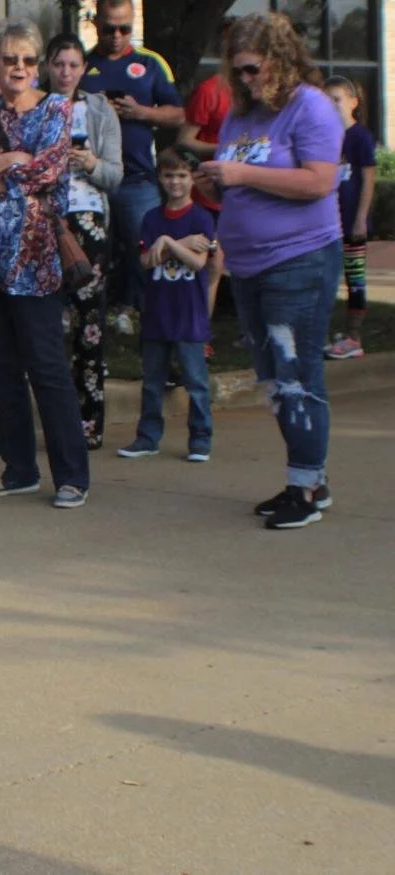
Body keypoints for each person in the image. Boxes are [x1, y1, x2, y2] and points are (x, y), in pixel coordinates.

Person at [197, 12, 343, 530]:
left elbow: (319, 182)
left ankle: (304, 489)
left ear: (280, 60)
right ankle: (309, 479)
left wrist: (240, 173)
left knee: (296, 374)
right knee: (274, 377)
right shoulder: (242, 115)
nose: (245, 80)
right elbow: (245, 180)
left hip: (299, 259)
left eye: (253, 69)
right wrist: (219, 183)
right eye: (236, 71)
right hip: (251, 265)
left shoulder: (311, 108)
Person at [0, 18, 90, 510]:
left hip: (35, 261)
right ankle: (19, 469)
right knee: (2, 369)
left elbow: (44, 169)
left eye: (28, 59)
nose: (19, 68)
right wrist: (8, 162)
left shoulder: (56, 109)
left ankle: (71, 476)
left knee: (46, 368)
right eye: (9, 59)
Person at [80, 0, 184, 329]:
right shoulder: (80, 62)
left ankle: (134, 309)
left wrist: (141, 112)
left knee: (146, 243)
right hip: (90, 176)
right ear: (96, 23)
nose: (117, 35)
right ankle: (84, 309)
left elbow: (178, 115)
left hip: (137, 175)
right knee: (91, 248)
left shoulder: (149, 63)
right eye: (110, 27)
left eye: (125, 28)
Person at [46, 33, 123, 450]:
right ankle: (19, 425)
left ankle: (89, 422)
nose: (66, 72)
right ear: (48, 66)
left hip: (89, 219)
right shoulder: (35, 106)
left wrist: (90, 162)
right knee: (43, 326)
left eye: (74, 65)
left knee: (88, 326)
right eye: (59, 64)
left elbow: (116, 174)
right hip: (45, 221)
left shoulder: (98, 109)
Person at [118, 149, 215, 462]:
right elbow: (146, 260)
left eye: (183, 176)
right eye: (170, 175)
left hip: (189, 313)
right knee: (152, 382)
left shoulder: (201, 217)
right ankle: (147, 437)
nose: (176, 182)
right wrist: (174, 245)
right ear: (160, 178)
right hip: (157, 312)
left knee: (196, 382)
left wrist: (171, 244)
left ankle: (200, 439)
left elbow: (199, 263)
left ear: (192, 180)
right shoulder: (152, 218)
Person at [177, 16, 235, 322]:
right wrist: (223, 150)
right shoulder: (210, 90)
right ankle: (199, 334)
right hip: (211, 195)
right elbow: (185, 139)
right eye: (228, 44)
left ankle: (251, 334)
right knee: (211, 263)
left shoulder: (259, 94)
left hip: (249, 193)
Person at [323, 75, 376, 361]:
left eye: (337, 99)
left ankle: (354, 336)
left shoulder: (360, 138)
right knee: (326, 279)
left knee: (354, 278)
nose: (332, 105)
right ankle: (328, 334)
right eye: (326, 100)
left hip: (352, 222)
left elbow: (368, 180)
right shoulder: (326, 138)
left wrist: (360, 219)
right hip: (329, 224)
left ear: (354, 102)